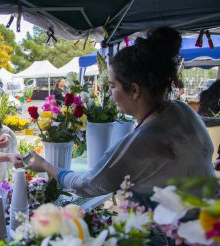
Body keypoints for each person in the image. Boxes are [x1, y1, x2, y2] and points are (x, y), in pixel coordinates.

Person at [25, 27, 215, 208]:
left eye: (113, 86)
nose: (110, 93)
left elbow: (88, 185)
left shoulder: (145, 141)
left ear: (134, 89)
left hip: (181, 237)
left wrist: (45, 165)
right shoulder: (182, 110)